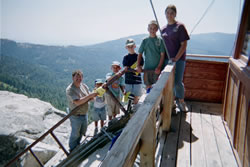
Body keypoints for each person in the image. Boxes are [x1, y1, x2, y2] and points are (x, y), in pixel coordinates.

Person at [161, 4, 190, 112]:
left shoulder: (180, 26)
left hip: (179, 59)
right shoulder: (163, 29)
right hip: (166, 60)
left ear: (175, 14)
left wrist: (176, 58)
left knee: (177, 82)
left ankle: (181, 101)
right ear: (165, 14)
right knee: (169, 83)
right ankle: (172, 103)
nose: (169, 15)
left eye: (172, 13)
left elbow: (184, 44)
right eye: (167, 12)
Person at [66, 70, 98, 152]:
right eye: (77, 77)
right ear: (73, 78)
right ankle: (72, 149)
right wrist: (90, 96)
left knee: (82, 131)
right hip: (75, 115)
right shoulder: (70, 89)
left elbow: (91, 98)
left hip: (84, 113)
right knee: (75, 133)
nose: (79, 79)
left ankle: (78, 145)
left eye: (80, 77)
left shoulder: (84, 86)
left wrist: (95, 93)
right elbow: (78, 102)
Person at [137, 20, 165, 92]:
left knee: (157, 88)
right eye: (150, 28)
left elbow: (162, 55)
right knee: (148, 86)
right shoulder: (145, 41)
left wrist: (159, 67)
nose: (152, 30)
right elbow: (140, 54)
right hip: (147, 69)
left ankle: (157, 103)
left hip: (157, 70)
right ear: (148, 29)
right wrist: (138, 66)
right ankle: (149, 101)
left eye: (154, 28)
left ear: (157, 29)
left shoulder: (160, 40)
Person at [122, 38, 144, 105]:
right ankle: (130, 109)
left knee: (136, 96)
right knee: (129, 96)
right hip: (128, 80)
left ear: (134, 46)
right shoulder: (125, 57)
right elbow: (125, 67)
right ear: (126, 47)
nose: (130, 48)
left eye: (132, 46)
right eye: (129, 46)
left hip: (137, 80)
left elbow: (141, 66)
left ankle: (134, 110)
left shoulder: (139, 56)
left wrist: (137, 68)